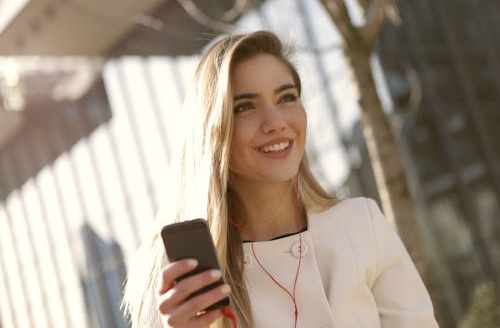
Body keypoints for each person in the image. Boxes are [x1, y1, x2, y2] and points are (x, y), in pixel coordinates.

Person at [123, 30, 439, 328]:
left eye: (286, 97)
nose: (275, 122)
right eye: (244, 107)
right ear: (213, 133)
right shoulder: (176, 276)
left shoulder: (362, 226)